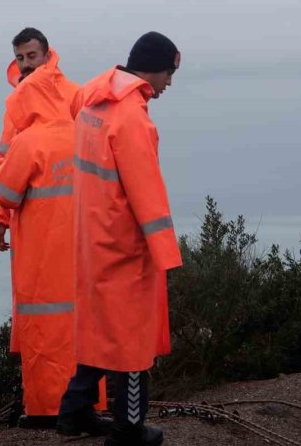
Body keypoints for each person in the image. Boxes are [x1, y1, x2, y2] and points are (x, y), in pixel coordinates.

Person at [57, 32, 183, 446]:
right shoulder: (132, 118)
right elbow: (147, 193)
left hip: (90, 236)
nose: (169, 83)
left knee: (98, 329)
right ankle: (129, 429)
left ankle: (74, 411)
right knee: (131, 340)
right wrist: (166, 255)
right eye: (168, 74)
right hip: (123, 245)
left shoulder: (93, 101)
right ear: (153, 69)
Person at [0, 65, 108, 432]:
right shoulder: (84, 133)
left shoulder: (29, 140)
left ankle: (45, 408)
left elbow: (4, 193)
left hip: (40, 258)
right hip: (83, 253)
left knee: (43, 334)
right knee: (83, 329)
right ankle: (88, 404)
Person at [0, 27, 81, 373]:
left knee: (51, 304)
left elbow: (8, 174)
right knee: (48, 306)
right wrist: (1, 218)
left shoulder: (72, 95)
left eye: (31, 56)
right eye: (20, 58)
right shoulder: (20, 100)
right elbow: (5, 163)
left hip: (56, 219)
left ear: (47, 54)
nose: (26, 63)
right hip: (35, 216)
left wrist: (3, 208)